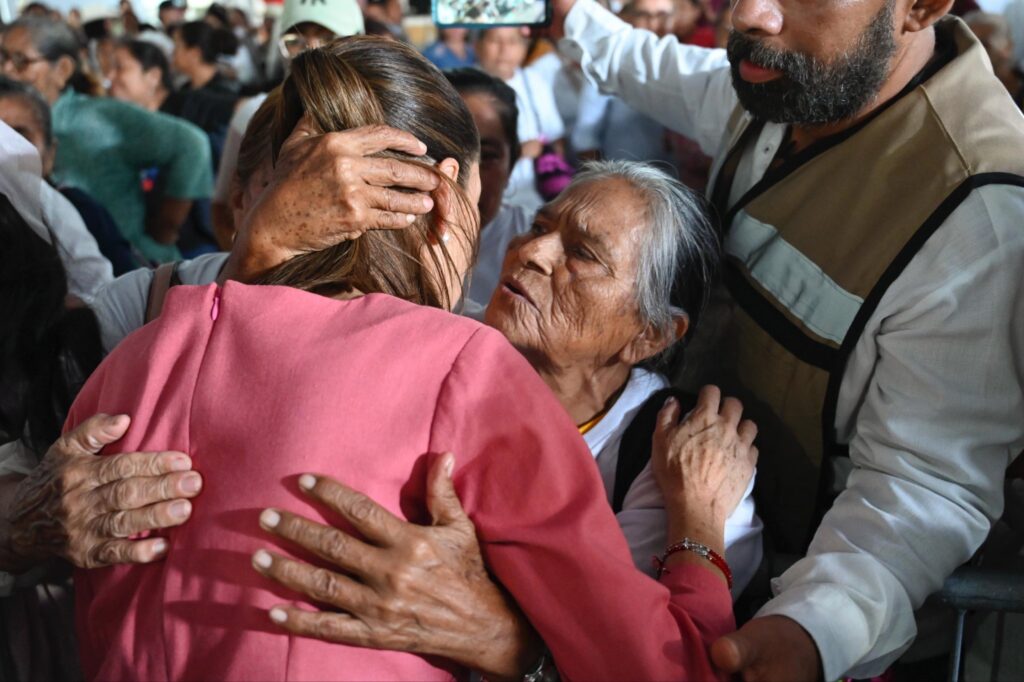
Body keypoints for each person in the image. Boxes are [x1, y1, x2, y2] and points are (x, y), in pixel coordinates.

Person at [198, 0, 1024, 680]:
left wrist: (812, 630)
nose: (748, 17)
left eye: (586, 254)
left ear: (922, 7)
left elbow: (926, 488)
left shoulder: (980, 215)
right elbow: (642, 62)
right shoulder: (778, 80)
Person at [66, 36, 754, 681]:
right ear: (449, 199)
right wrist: (698, 531)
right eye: (540, 225)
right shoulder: (462, 370)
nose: (534, 252)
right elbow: (671, 666)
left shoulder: (136, 357)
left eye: (583, 253)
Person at [1, 16, 213, 264]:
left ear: (63, 70)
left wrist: (166, 227)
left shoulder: (101, 117)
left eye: (20, 61)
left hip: (127, 271)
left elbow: (191, 144)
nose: (6, 70)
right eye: (2, 58)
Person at [209, 0, 365, 247]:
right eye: (296, 41)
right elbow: (223, 210)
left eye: (328, 37)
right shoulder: (252, 114)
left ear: (358, 41)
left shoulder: (376, 117)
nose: (312, 51)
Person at [0, 76, 140, 275]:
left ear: (50, 154)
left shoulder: (81, 213)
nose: (4, 151)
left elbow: (116, 293)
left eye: (20, 136)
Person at [571, 0, 677, 166]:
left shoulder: (679, 65)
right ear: (627, 18)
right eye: (644, 15)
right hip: (625, 174)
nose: (654, 23)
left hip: (673, 178)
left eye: (663, 15)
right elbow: (585, 137)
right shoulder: (606, 65)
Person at [475, 27, 565, 211]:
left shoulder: (534, 82)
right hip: (482, 198)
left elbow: (555, 138)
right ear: (477, 46)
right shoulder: (465, 85)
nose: (504, 49)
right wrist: (517, 152)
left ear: (524, 48)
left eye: (512, 42)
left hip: (532, 196)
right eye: (495, 41)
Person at [170, 20, 241, 96]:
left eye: (177, 46)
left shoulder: (223, 95)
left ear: (194, 53)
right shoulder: (185, 89)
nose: (173, 52)